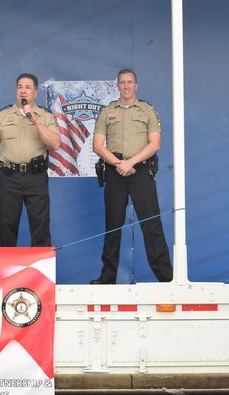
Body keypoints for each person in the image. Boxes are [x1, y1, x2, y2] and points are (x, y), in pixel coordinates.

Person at [91, 69, 172, 284]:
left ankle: (166, 277)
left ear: (136, 86)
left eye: (130, 82)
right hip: (115, 171)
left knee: (151, 224)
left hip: (141, 170)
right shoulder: (106, 112)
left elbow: (155, 143)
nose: (126, 86)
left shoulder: (147, 111)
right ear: (117, 86)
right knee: (113, 225)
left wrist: (131, 163)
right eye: (122, 83)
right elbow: (98, 146)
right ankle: (108, 277)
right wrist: (119, 163)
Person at [0, 73, 61, 247]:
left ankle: (39, 274)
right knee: (7, 228)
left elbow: (55, 144)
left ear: (35, 92)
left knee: (40, 228)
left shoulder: (45, 116)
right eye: (20, 87)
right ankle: (7, 274)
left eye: (28, 87)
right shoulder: (2, 115)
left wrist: (35, 121)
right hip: (9, 177)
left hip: (36, 177)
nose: (23, 91)